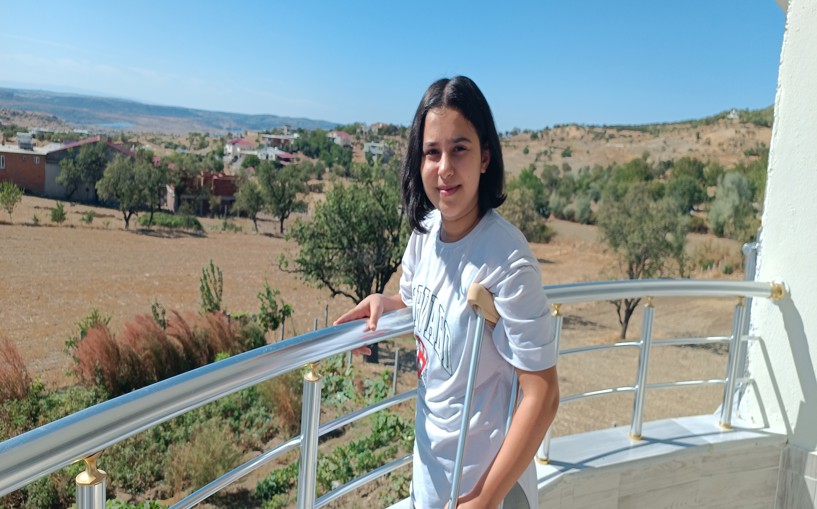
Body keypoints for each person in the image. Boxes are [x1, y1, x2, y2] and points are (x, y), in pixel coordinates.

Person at [334, 76, 559, 509]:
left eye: (459, 149)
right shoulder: (425, 233)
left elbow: (543, 394)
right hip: (432, 477)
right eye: (432, 152)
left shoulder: (507, 261)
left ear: (485, 157)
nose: (444, 168)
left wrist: (484, 498)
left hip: (487, 489)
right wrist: (387, 304)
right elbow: (420, 301)